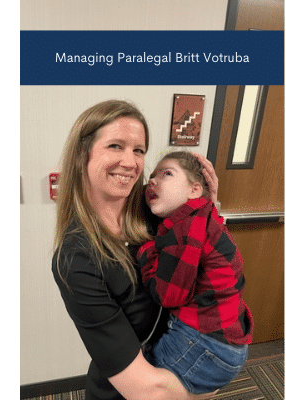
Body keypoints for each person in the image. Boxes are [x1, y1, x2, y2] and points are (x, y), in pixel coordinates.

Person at [51, 100, 218, 400]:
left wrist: (205, 209)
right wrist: (211, 382)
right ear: (81, 156)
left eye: (138, 150)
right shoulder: (75, 258)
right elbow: (145, 391)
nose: (130, 162)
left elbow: (212, 272)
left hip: (181, 369)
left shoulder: (154, 210)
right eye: (116, 146)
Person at [136, 151, 251, 395]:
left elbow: (168, 296)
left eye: (167, 173)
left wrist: (145, 251)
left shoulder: (185, 228)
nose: (153, 181)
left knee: (140, 375)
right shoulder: (206, 215)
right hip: (230, 344)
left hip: (204, 345)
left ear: (195, 189)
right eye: (153, 175)